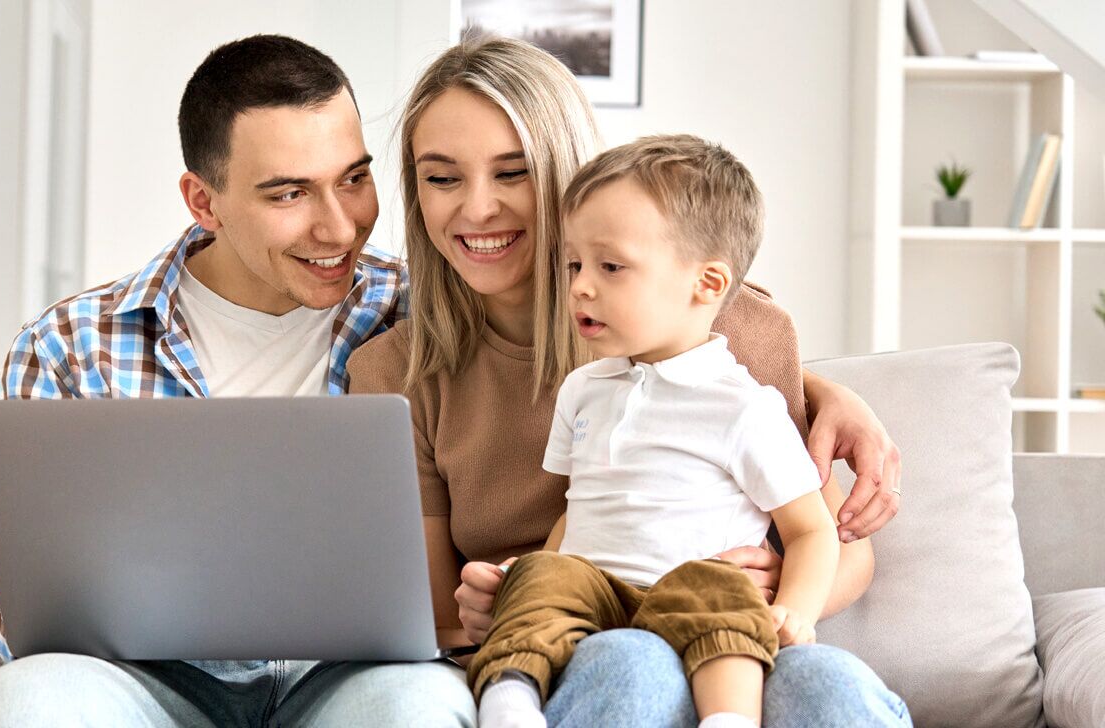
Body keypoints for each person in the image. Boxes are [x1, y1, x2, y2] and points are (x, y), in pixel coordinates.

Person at [346, 35, 910, 727]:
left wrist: (773, 595)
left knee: (830, 686)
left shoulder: (737, 327)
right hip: (567, 648)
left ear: (566, 175)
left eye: (513, 172)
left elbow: (840, 550)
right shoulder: (395, 372)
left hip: (734, 642)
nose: (478, 208)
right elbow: (434, 618)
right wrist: (490, 602)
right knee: (630, 664)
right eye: (442, 178)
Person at [0, 35, 474, 727]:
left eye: (353, 178)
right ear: (205, 201)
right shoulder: (73, 345)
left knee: (422, 707)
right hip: (152, 686)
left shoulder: (426, 316)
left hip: (353, 680)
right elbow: (11, 614)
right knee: (24, 703)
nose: (340, 224)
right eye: (289, 193)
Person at [470, 135, 840, 728]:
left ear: (708, 284)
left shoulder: (745, 407)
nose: (581, 286)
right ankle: (510, 699)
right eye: (574, 264)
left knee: (721, 590)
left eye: (610, 266)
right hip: (595, 600)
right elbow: (576, 505)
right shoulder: (583, 389)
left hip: (688, 594)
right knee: (539, 571)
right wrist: (543, 571)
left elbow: (813, 530)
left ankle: (729, 718)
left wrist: (796, 610)